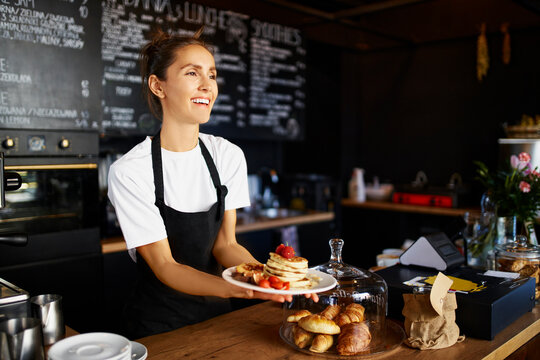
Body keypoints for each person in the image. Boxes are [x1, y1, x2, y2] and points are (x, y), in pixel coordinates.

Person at [107, 28, 317, 339]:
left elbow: (226, 246)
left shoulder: (226, 155)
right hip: (158, 328)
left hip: (220, 321)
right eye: (192, 73)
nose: (208, 85)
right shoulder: (130, 171)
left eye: (212, 74)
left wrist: (272, 280)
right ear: (157, 85)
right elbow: (165, 266)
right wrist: (241, 290)